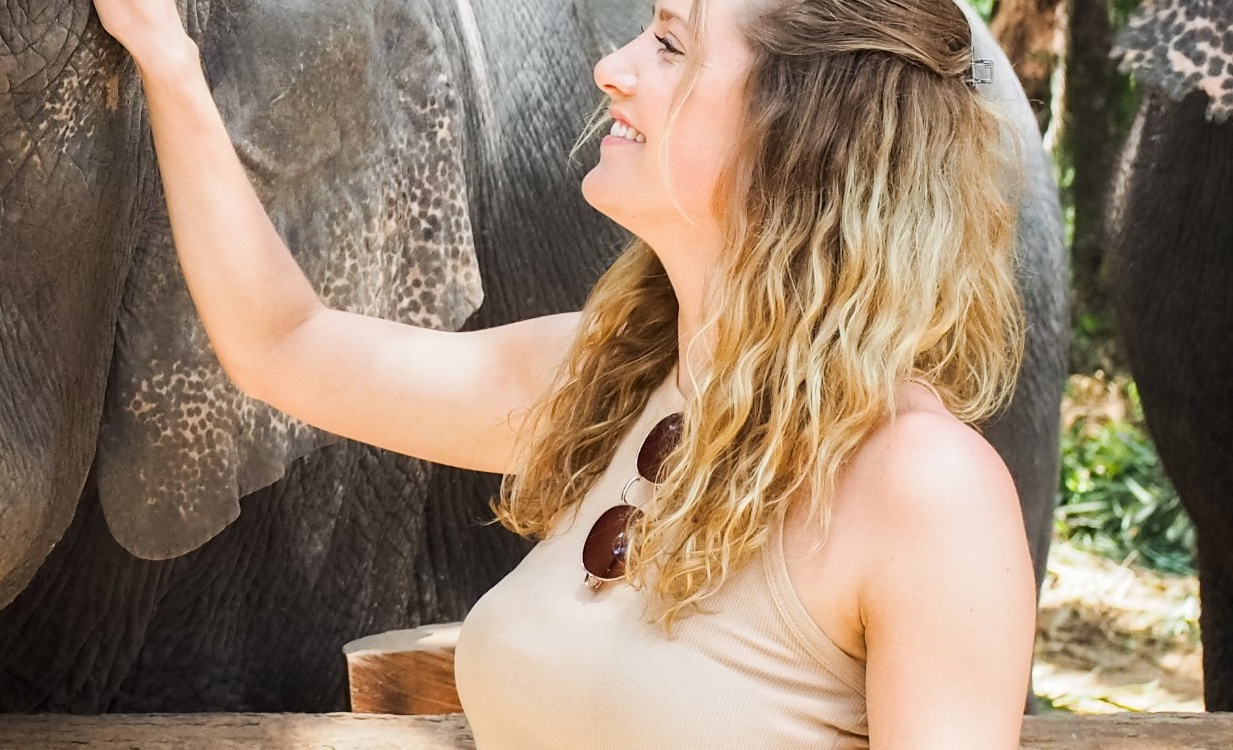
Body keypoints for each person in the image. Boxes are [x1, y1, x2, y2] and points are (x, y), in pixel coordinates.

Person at [93, 0, 1036, 746]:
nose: (612, 69)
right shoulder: (613, 377)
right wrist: (166, 56)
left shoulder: (925, 489)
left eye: (670, 44)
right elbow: (285, 345)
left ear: (805, 129)